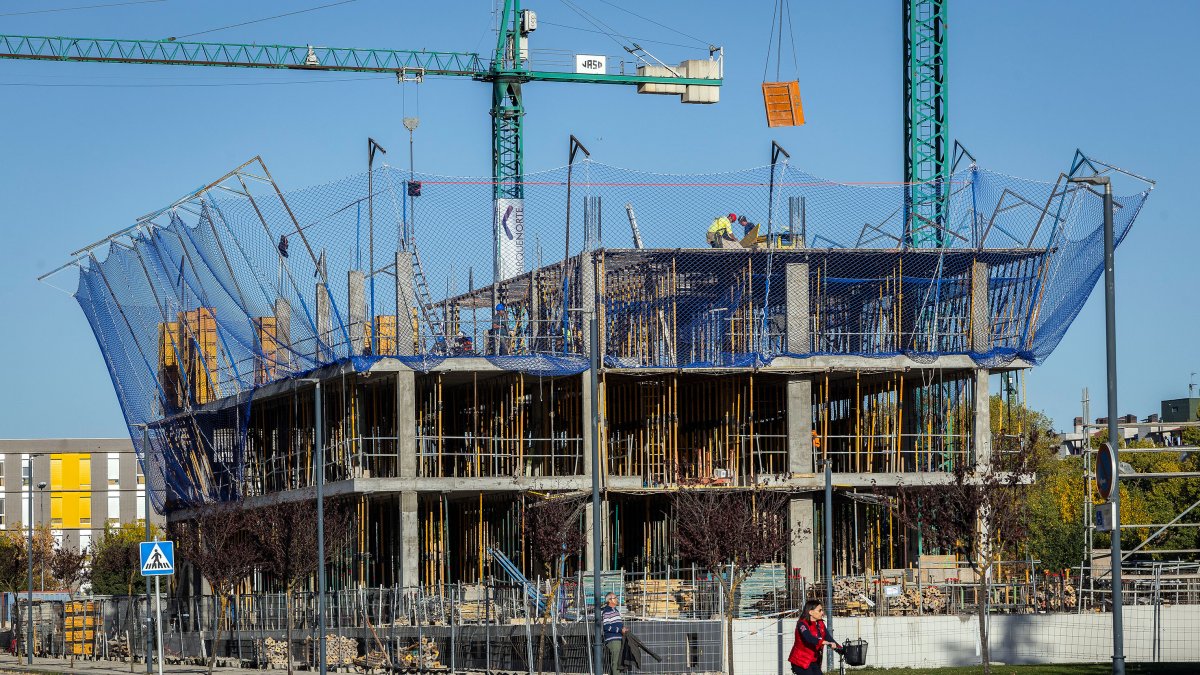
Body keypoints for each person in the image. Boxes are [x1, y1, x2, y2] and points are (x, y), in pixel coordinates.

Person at [788, 600, 841, 674]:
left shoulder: (820, 623)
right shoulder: (802, 624)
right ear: (811, 612)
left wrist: (840, 649)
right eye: (820, 610)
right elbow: (808, 638)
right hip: (801, 661)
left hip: (813, 660)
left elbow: (827, 637)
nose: (822, 613)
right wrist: (824, 642)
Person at [601, 592, 627, 675]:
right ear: (610, 600)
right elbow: (606, 627)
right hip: (613, 640)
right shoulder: (607, 611)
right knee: (616, 662)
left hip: (618, 639)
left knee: (618, 661)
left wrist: (623, 629)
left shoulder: (615, 610)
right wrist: (620, 630)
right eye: (615, 598)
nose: (617, 599)